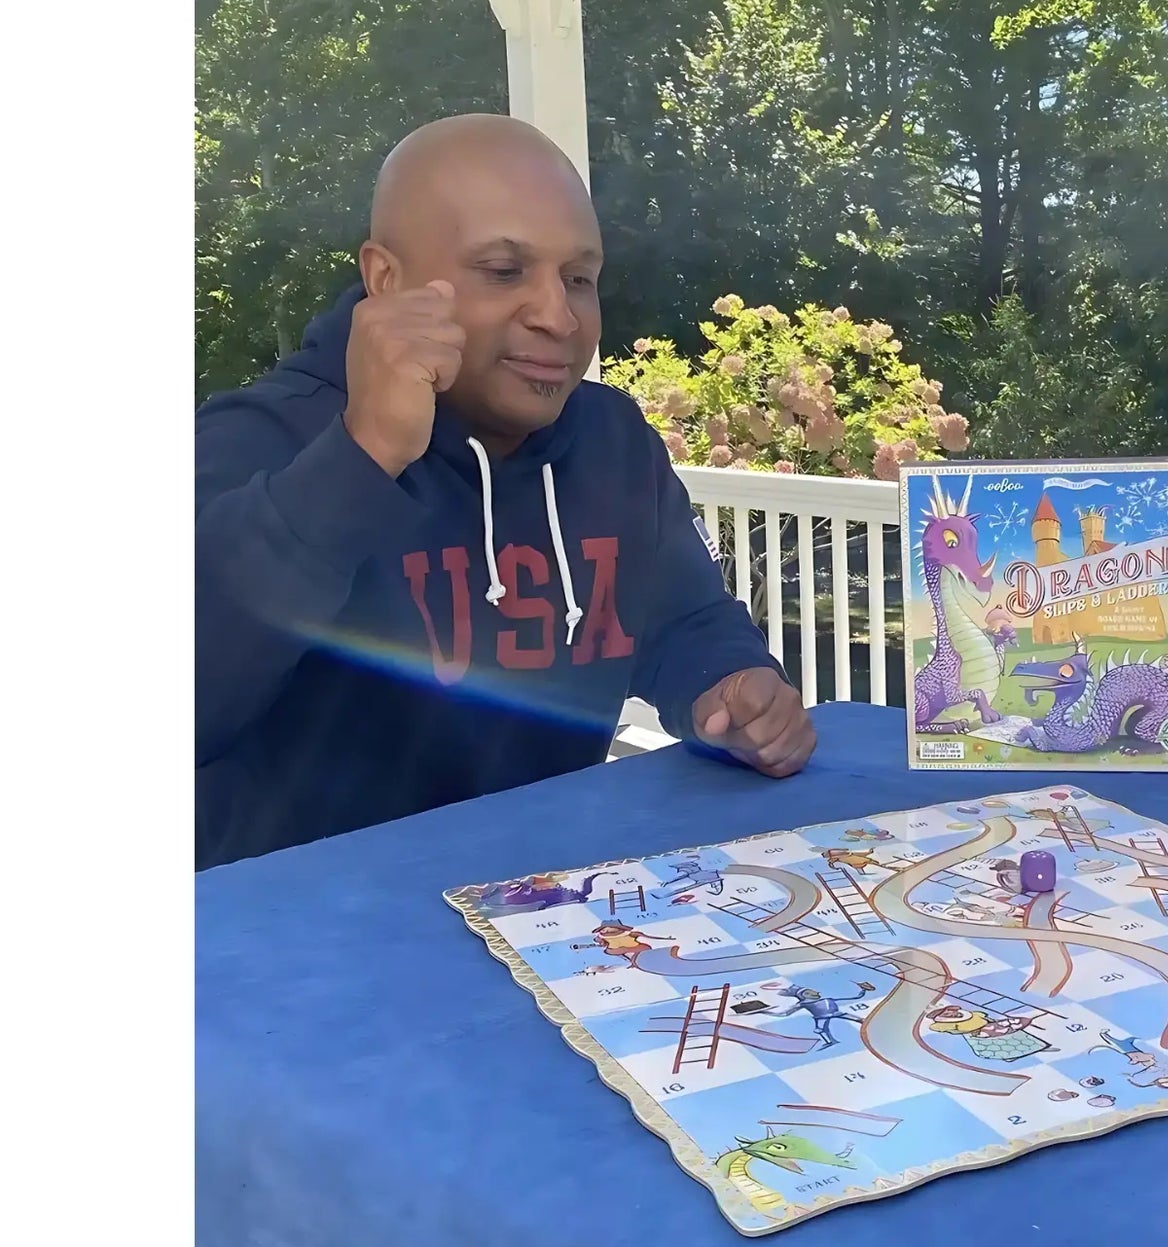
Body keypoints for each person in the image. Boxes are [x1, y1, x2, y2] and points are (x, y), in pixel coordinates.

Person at [196, 114, 814, 870]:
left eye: (579, 278)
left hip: (545, 915)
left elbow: (682, 619)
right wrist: (364, 456)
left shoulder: (613, 443)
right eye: (503, 270)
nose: (557, 316)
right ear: (386, 280)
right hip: (305, 951)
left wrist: (734, 686)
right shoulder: (259, 439)